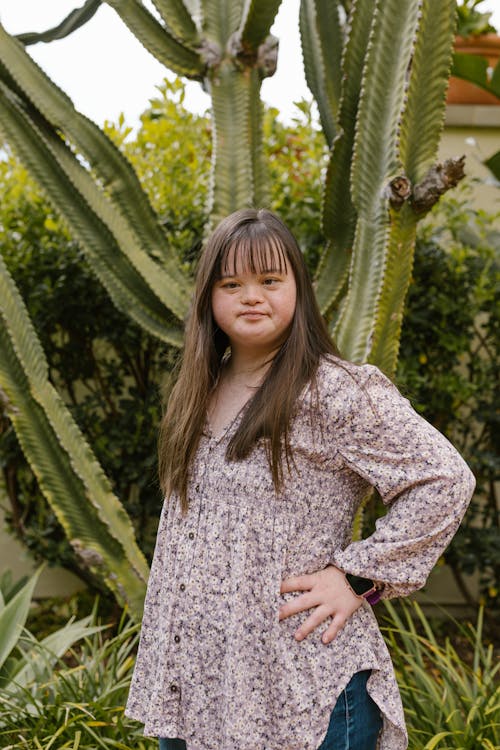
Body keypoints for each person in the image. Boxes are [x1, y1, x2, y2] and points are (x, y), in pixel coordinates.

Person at [125, 209, 475, 750]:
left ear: (299, 289)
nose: (251, 296)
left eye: (270, 280)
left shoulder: (333, 391)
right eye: (231, 283)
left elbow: (444, 479)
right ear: (208, 298)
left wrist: (357, 576)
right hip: (199, 691)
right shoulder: (199, 390)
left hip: (301, 691)